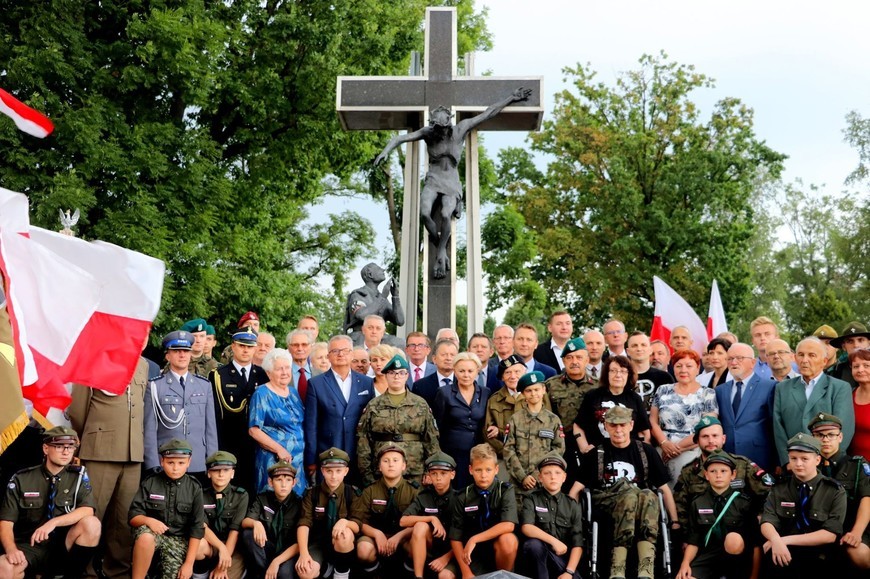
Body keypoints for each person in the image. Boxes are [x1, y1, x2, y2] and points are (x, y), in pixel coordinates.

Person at [374, 87, 532, 279]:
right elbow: (401, 138)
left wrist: (511, 98)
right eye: (436, 129)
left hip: (451, 182)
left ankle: (441, 251)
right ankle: (440, 246)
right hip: (433, 180)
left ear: (448, 125)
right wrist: (385, 151)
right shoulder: (428, 133)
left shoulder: (461, 129)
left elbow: (488, 113)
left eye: (442, 129)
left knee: (446, 214)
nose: (439, 133)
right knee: (424, 213)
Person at [571, 406, 677, 579]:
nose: (618, 430)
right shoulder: (596, 453)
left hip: (641, 505)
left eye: (622, 425)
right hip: (607, 501)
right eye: (613, 425)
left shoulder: (646, 451)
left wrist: (674, 521)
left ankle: (646, 565)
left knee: (649, 495)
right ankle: (617, 566)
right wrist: (573, 521)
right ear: (605, 426)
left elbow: (664, 489)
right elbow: (576, 490)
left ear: (631, 425)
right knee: (630, 495)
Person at [67, 356, 148, 579]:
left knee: (124, 519)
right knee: (93, 514)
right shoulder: (95, 358)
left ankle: (118, 571)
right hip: (100, 450)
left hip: (133, 452)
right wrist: (92, 437)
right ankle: (86, 571)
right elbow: (77, 409)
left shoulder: (143, 365)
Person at [0, 426, 101, 579]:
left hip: (62, 545)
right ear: (46, 448)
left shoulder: (78, 476)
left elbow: (87, 510)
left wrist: (54, 522)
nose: (66, 451)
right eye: (59, 446)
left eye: (70, 447)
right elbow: (6, 522)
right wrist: (11, 549)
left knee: (92, 524)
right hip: (30, 547)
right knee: (4, 567)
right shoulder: (22, 479)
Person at [760, 433, 846, 578]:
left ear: (817, 460)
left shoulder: (834, 491)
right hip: (786, 554)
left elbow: (830, 535)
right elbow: (767, 521)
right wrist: (775, 540)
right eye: (793, 458)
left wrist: (782, 540)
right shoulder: (779, 488)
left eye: (804, 459)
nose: (798, 464)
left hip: (821, 556)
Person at [673, 416, 773, 530]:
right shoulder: (689, 471)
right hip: (701, 533)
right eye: (705, 436)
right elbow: (680, 506)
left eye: (715, 436)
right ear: (697, 441)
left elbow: (769, 492)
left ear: (723, 438)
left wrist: (761, 517)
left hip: (740, 532)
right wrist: (686, 537)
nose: (711, 441)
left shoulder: (742, 465)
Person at [356, 354, 440, 486]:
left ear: (407, 376)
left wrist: (431, 470)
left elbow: (431, 439)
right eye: (392, 373)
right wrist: (367, 474)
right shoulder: (374, 405)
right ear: (386, 375)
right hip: (381, 470)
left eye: (401, 373)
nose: (396, 377)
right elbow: (363, 442)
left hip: (414, 470)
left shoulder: (420, 404)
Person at [144, 331, 219, 480]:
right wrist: (153, 463)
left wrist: (212, 462)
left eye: (186, 351)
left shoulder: (204, 385)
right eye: (176, 351)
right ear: (168, 356)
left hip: (198, 461)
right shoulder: (154, 386)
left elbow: (210, 429)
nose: (182, 355)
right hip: (167, 461)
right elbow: (149, 430)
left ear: (191, 354)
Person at [773, 337, 855, 468]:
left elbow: (844, 428)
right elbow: (778, 428)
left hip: (828, 466)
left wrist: (826, 461)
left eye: (811, 355)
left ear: (824, 361)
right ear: (794, 358)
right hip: (795, 466)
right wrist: (788, 461)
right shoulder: (782, 388)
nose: (805, 360)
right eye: (801, 355)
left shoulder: (839, 388)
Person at [129, 438, 206, 579]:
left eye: (181, 463)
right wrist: (149, 521)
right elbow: (133, 516)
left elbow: (197, 528)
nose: (175, 468)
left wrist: (189, 564)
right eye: (170, 462)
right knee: (145, 537)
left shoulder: (194, 487)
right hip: (153, 535)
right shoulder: (150, 482)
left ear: (189, 462)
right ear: (162, 461)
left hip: (179, 540)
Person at [676, 451, 760, 579]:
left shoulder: (744, 503)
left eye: (723, 471)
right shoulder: (698, 502)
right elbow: (694, 540)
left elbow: (755, 545)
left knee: (733, 539)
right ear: (706, 475)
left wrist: (754, 576)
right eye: (713, 471)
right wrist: (685, 563)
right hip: (709, 555)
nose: (718, 475)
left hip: (737, 559)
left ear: (733, 475)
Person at [304, 335, 375, 484]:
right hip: (328, 455)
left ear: (352, 354)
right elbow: (311, 426)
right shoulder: (316, 384)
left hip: (358, 454)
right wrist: (311, 459)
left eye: (344, 350)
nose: (340, 354)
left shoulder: (366, 383)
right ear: (328, 356)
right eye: (335, 351)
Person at [808, 413, 870, 570]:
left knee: (858, 552)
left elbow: (867, 499)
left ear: (840, 437)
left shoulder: (856, 466)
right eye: (820, 435)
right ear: (812, 438)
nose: (826, 439)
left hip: (852, 526)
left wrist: (856, 532)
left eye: (831, 435)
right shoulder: (807, 467)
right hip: (819, 529)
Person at [449, 444, 518, 577]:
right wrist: (466, 572)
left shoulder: (505, 490)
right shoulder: (463, 496)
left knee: (508, 540)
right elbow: (455, 537)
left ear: (496, 469)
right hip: (472, 553)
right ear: (470, 470)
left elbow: (508, 524)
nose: (483, 475)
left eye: (488, 470)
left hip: (497, 550)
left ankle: (503, 577)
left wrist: (475, 539)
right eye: (478, 470)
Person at [650, 349, 719, 484]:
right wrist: (664, 444)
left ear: (698, 368)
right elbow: (653, 420)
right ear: (673, 368)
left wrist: (676, 448)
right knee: (663, 494)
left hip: (691, 451)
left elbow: (707, 426)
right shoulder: (662, 390)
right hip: (661, 451)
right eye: (679, 366)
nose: (683, 370)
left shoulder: (708, 394)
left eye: (689, 366)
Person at [210, 330, 266, 493]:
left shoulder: (262, 375)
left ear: (255, 348)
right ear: (233, 347)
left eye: (250, 346)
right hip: (230, 443)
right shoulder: (219, 375)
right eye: (241, 346)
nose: (246, 350)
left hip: (256, 446)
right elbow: (215, 415)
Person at [351, 444, 418, 576]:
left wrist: (399, 536)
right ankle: (375, 571)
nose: (391, 465)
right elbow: (358, 521)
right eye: (386, 461)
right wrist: (377, 534)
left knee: (418, 547)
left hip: (403, 539)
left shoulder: (414, 491)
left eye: (395, 460)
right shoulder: (370, 490)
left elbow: (421, 524)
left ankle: (406, 572)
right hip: (376, 539)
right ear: (379, 467)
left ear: (404, 466)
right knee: (364, 549)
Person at [248, 348, 306, 496]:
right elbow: (254, 430)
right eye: (279, 369)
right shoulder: (261, 394)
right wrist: (279, 449)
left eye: (287, 367)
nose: (285, 372)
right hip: (274, 460)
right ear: (268, 373)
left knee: (296, 504)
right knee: (273, 501)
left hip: (297, 460)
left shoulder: (293, 392)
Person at [295, 448, 359, 579]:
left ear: (346, 471)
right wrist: (304, 553)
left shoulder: (352, 493)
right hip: (318, 543)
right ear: (322, 471)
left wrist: (345, 522)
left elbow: (358, 525)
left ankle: (341, 573)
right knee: (305, 572)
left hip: (342, 545)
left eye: (338, 471)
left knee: (344, 535)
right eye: (329, 471)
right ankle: (324, 568)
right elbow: (304, 523)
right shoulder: (312, 493)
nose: (333, 476)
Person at [520, 452, 583, 579]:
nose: (553, 477)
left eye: (557, 473)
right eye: (547, 473)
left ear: (564, 477)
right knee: (534, 545)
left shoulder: (572, 505)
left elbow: (578, 544)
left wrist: (569, 572)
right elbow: (527, 527)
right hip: (537, 561)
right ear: (540, 477)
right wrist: (553, 541)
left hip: (562, 562)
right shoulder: (531, 499)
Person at [715, 342, 777, 471]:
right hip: (728, 460)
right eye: (730, 359)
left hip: (760, 459)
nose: (734, 362)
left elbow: (775, 425)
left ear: (753, 362)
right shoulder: (720, 390)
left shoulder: (770, 387)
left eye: (739, 358)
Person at [433, 353, 491, 488]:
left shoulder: (485, 392)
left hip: (478, 452)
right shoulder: (444, 392)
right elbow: (437, 426)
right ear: (454, 370)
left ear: (477, 370)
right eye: (461, 371)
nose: (466, 375)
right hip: (452, 452)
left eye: (470, 371)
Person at [573, 355, 651, 453]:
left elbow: (644, 431)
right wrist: (584, 448)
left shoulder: (634, 398)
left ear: (629, 375)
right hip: (598, 451)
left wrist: (643, 454)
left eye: (623, 371)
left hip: (629, 452)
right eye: (613, 370)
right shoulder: (593, 395)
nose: (618, 375)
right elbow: (578, 426)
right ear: (607, 374)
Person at [400, 452, 459, 579]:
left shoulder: (460, 500)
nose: (438, 478)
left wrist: (445, 558)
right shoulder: (424, 497)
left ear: (452, 474)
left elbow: (466, 535)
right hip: (429, 549)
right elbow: (403, 521)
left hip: (452, 552)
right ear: (429, 476)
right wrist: (432, 518)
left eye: (443, 473)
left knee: (445, 576)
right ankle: (418, 576)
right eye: (434, 473)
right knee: (420, 526)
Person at [503, 372, 565, 492]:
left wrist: (538, 475)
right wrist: (522, 477)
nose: (533, 394)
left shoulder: (553, 420)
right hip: (519, 485)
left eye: (536, 389)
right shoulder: (515, 419)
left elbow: (559, 449)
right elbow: (508, 450)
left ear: (543, 390)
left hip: (544, 483)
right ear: (523, 394)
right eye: (529, 391)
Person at [240, 460, 302, 579]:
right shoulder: (263, 498)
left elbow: (301, 543)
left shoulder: (300, 504)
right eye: (279, 480)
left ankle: (267, 572)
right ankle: (265, 573)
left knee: (284, 574)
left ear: (294, 482)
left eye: (288, 480)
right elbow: (245, 522)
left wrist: (276, 562)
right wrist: (256, 523)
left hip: (287, 553)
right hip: (267, 549)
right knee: (248, 533)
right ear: (270, 482)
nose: (283, 485)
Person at [194, 452, 249, 579]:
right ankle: (201, 574)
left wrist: (222, 565)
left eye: (226, 470)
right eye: (216, 470)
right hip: (211, 544)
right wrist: (220, 547)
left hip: (233, 548)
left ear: (233, 473)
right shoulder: (201, 495)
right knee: (197, 544)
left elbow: (235, 530)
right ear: (209, 473)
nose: (221, 474)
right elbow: (202, 527)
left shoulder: (241, 495)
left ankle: (239, 568)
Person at [483, 355, 527, 469]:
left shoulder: (536, 395)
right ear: (502, 377)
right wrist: (508, 454)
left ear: (525, 372)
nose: (513, 376)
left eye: (517, 371)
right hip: (504, 460)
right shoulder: (494, 400)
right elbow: (488, 435)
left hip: (533, 458)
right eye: (507, 373)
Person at [343, 262, 405, 341]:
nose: (383, 270)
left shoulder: (382, 298)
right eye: (379, 269)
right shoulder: (359, 294)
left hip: (379, 338)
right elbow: (361, 315)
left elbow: (400, 321)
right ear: (370, 274)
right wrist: (383, 297)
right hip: (361, 337)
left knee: (402, 343)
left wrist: (395, 296)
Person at [627, 331, 675, 410]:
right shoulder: (621, 377)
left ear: (650, 350)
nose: (639, 349)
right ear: (628, 351)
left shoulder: (665, 378)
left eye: (643, 345)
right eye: (634, 345)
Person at [414, 339, 458, 407]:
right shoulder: (420, 386)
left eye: (452, 355)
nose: (448, 358)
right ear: (434, 359)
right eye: (444, 355)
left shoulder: (465, 384)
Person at [829, 321, 870, 388]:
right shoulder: (837, 371)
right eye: (850, 341)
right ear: (844, 346)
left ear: (869, 343)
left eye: (860, 340)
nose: (856, 345)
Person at [851, 349, 870, 460]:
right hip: (853, 466)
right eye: (856, 366)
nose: (860, 370)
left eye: (866, 366)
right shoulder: (848, 394)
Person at [749, 316, 781, 383]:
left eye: (767, 334)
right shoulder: (748, 367)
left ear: (777, 338)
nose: (762, 338)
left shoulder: (792, 367)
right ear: (753, 341)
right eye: (758, 335)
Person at [286, 329, 315, 401]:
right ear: (289, 348)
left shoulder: (321, 374)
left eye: (304, 344)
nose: (300, 348)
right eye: (295, 345)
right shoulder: (281, 374)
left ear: (311, 347)